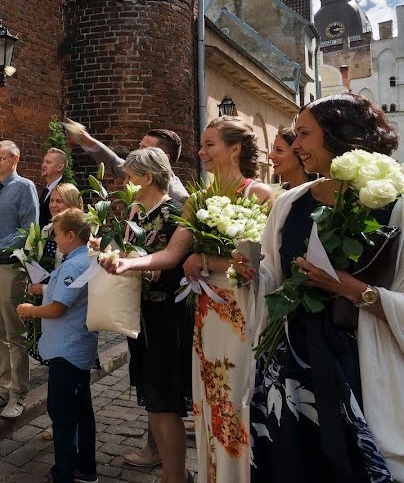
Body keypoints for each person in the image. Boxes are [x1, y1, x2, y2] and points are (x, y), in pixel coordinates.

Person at [232, 94, 403, 482]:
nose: (295, 146)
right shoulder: (290, 203)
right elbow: (274, 277)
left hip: (358, 362)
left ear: (341, 136)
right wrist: (252, 276)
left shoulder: (394, 206)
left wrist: (352, 289)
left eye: (305, 134)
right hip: (289, 361)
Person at [107, 117, 274, 481]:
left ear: (235, 149)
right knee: (208, 398)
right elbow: (170, 255)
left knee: (239, 394)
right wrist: (128, 262)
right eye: (201, 144)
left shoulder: (259, 195)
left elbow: (267, 260)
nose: (201, 151)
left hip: (242, 308)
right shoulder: (197, 200)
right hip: (206, 311)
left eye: (209, 144)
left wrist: (209, 260)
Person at [102, 148, 193, 483]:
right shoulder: (137, 212)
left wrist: (130, 264)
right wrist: (107, 250)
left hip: (168, 317)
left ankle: (175, 478)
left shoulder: (177, 211)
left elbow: (170, 258)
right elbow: (127, 251)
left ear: (148, 177)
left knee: (166, 402)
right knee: (153, 401)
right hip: (141, 316)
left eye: (130, 177)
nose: (125, 182)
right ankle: (175, 472)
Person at [16, 208, 97, 483]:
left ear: (71, 235)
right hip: (77, 346)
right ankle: (86, 468)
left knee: (62, 414)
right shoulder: (84, 259)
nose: (56, 240)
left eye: (59, 235)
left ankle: (63, 472)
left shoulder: (74, 265)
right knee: (82, 411)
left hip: (68, 349)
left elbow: (57, 309)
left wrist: (29, 310)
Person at [0, 140, 39, 419]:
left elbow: (29, 230)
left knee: (14, 332)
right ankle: (2, 388)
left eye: (2, 158)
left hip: (10, 267)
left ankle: (19, 393)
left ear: (15, 159)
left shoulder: (24, 187)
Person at [26, 182, 84, 364]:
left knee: (66, 361)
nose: (53, 205)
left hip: (68, 307)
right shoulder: (46, 230)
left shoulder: (83, 234)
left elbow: (79, 279)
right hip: (50, 304)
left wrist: (44, 289)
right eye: (52, 200)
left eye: (60, 201)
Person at [68, 126, 189, 203]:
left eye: (144, 149)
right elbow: (113, 162)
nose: (125, 182)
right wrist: (87, 141)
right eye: (139, 147)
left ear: (164, 158)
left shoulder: (179, 197)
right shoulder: (137, 173)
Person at [269, 126, 309, 190]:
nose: (270, 156)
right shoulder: (277, 194)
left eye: (279, 150)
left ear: (299, 153)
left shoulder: (319, 194)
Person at [39, 148, 67, 227]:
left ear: (60, 167)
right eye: (44, 162)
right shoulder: (46, 190)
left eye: (48, 162)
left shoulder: (65, 190)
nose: (43, 165)